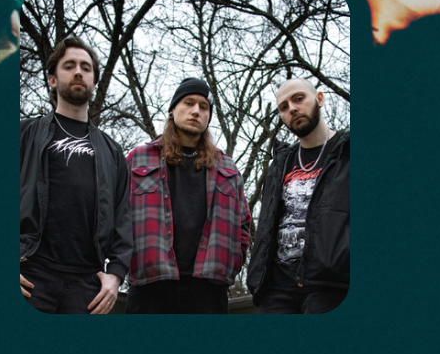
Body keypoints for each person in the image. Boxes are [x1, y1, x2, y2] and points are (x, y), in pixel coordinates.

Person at [19, 35, 130, 313]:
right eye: (69, 66)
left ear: (94, 81)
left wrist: (116, 275)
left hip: (88, 287)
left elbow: (123, 218)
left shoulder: (112, 152)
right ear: (52, 80)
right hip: (31, 277)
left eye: (85, 67)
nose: (78, 72)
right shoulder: (23, 134)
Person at [123, 77, 252, 313]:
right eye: (189, 103)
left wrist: (233, 262)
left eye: (204, 107)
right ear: (172, 109)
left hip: (209, 290)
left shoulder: (228, 167)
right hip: (150, 285)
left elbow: (243, 224)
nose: (196, 111)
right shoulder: (138, 158)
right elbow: (117, 214)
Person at [246, 78, 349, 313]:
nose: (292, 108)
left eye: (299, 99)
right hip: (277, 288)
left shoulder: (347, 151)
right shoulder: (280, 164)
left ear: (319, 98)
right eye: (283, 107)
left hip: (330, 284)